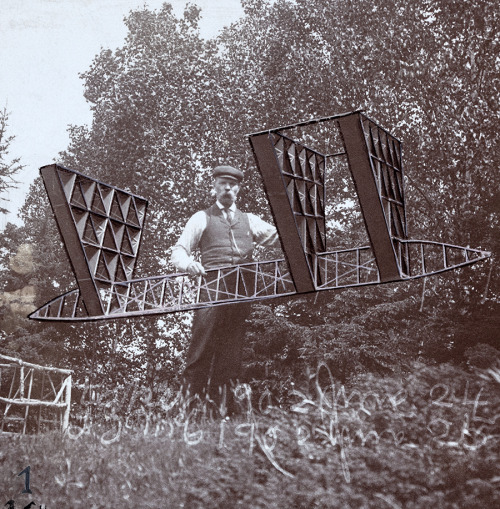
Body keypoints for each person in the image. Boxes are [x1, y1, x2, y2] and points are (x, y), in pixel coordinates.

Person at [171, 165, 278, 411]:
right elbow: (178, 251)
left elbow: (277, 237)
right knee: (200, 351)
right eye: (222, 184)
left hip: (241, 292)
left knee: (231, 355)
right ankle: (185, 413)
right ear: (214, 187)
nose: (227, 188)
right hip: (212, 291)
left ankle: (222, 413)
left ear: (238, 189)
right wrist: (190, 265)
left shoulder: (249, 220)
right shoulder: (202, 217)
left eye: (232, 185)